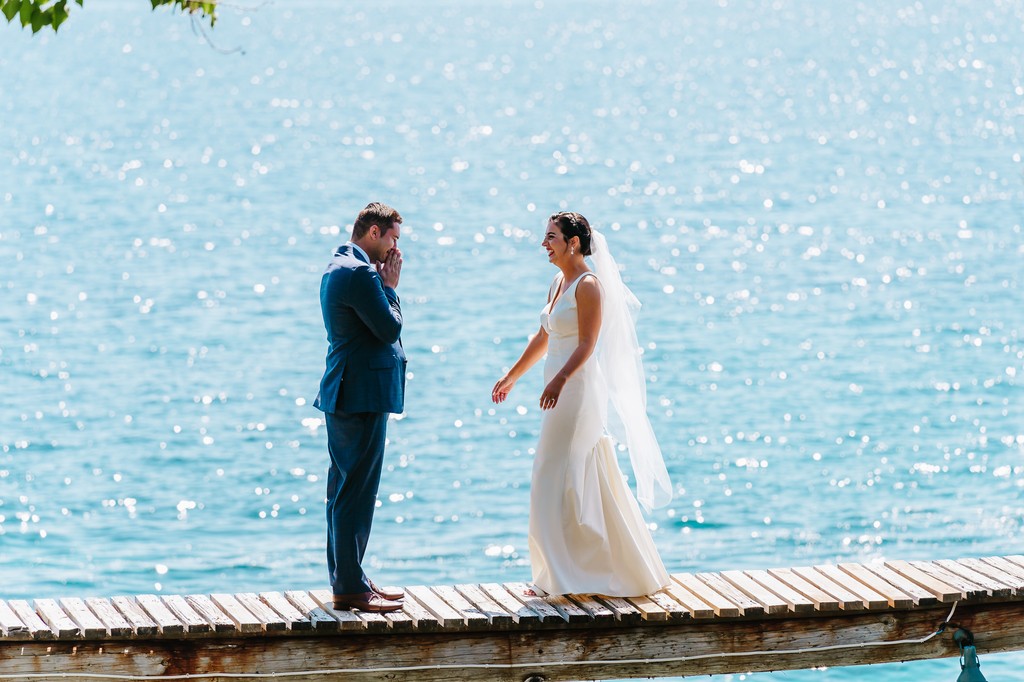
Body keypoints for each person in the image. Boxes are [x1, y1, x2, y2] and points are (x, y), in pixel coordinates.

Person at [491, 212, 674, 598]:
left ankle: (563, 576)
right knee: (563, 474)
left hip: (576, 390)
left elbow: (588, 344)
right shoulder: (558, 281)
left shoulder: (589, 285)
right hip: (557, 387)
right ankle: (562, 573)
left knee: (554, 472)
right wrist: (512, 376)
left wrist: (559, 379)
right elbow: (545, 334)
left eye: (551, 237)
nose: (544, 243)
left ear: (573, 242)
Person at [313, 202, 408, 613]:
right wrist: (390, 288)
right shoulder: (361, 273)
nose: (394, 249)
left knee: (345, 490)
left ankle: (350, 576)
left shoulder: (340, 265)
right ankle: (350, 588)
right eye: (392, 239)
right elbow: (389, 327)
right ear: (373, 232)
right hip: (360, 394)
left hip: (349, 392)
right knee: (356, 492)